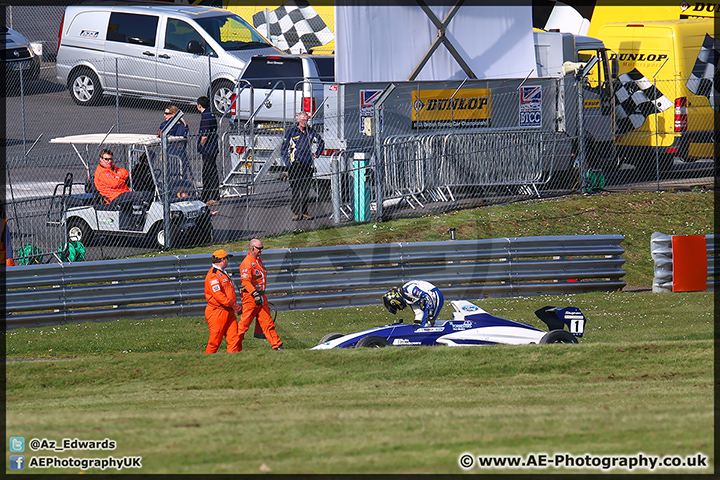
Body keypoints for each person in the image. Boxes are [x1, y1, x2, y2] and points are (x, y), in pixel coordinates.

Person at [237, 238, 284, 350]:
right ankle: (233, 346)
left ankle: (277, 346)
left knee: (268, 323)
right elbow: (245, 282)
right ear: (252, 248)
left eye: (262, 248)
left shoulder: (257, 260)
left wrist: (259, 296)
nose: (261, 250)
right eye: (259, 248)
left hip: (261, 297)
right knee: (244, 325)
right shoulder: (247, 263)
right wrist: (254, 294)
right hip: (251, 298)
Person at [281, 112, 324, 220]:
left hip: (307, 165)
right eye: (302, 120)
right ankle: (296, 212)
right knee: (295, 189)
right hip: (295, 165)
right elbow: (284, 149)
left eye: (305, 120)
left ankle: (304, 211)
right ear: (298, 120)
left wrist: (316, 154)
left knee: (305, 190)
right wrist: (288, 164)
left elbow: (321, 142)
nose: (304, 122)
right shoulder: (291, 132)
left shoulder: (311, 131)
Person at [204, 249, 242, 353]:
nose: (228, 261)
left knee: (234, 338)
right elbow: (218, 295)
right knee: (215, 340)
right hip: (217, 311)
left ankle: (233, 363)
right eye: (227, 259)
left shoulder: (222, 273)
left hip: (228, 311)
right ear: (222, 260)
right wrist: (234, 305)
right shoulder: (213, 275)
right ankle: (207, 362)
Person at [196, 96, 220, 206]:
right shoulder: (211, 114)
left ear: (199, 105)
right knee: (209, 172)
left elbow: (204, 136)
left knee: (208, 172)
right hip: (213, 147)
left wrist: (201, 145)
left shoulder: (205, 116)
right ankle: (207, 195)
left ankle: (212, 196)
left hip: (208, 149)